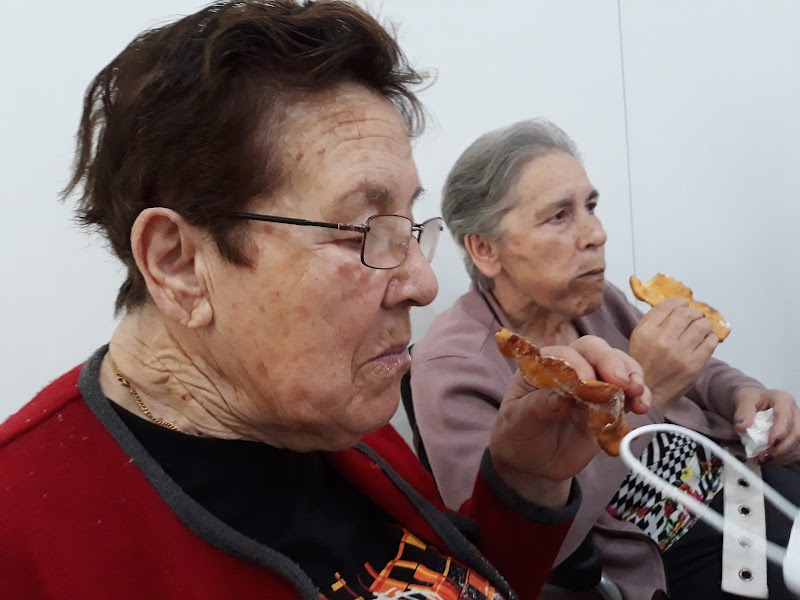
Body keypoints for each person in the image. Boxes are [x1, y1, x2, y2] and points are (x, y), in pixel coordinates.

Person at [0, 5, 653, 599]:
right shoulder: (27, 531)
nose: (424, 284)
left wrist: (524, 482)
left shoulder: (326, 413)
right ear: (179, 265)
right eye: (363, 230)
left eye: (407, 224)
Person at [410, 118, 800, 600]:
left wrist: (746, 394)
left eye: (590, 207)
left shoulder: (595, 300)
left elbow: (698, 373)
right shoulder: (453, 365)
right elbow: (502, 553)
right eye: (559, 216)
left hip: (740, 481)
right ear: (486, 250)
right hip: (676, 551)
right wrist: (644, 393)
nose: (597, 234)